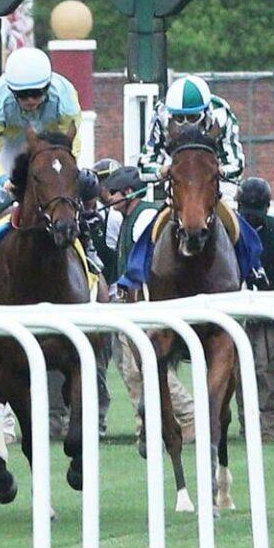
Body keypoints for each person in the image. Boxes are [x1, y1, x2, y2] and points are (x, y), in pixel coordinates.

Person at [126, 73, 264, 289]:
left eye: (191, 118)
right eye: (179, 118)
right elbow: (144, 164)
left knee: (236, 224)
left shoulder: (221, 114)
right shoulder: (161, 115)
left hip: (212, 180)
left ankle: (253, 270)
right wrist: (164, 170)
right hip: (179, 178)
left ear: (205, 112)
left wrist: (217, 171)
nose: (184, 124)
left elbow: (236, 163)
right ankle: (134, 279)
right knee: (145, 225)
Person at [102, 163, 194, 443]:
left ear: (129, 192)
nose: (109, 198)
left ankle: (189, 416)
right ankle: (147, 426)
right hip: (128, 306)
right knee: (132, 371)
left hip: (142, 307)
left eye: (113, 193)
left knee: (144, 366)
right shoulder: (129, 217)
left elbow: (146, 267)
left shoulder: (144, 217)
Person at [0, 47, 83, 219]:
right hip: (11, 144)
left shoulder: (66, 102)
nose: (30, 100)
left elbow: (70, 145)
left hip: (52, 145)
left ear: (47, 87)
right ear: (12, 91)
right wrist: (4, 181)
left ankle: (87, 232)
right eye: (23, 95)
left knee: (73, 189)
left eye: (37, 94)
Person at [232, 177, 274, 443]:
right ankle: (247, 424)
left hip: (266, 307)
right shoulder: (228, 228)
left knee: (265, 367)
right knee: (239, 368)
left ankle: (268, 426)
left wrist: (273, 303)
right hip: (235, 308)